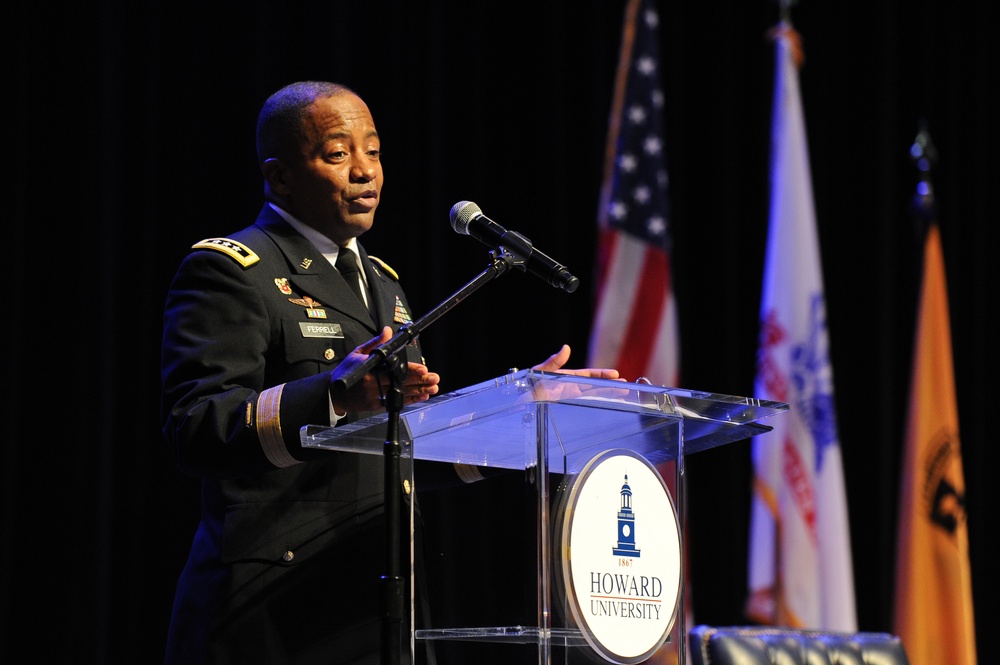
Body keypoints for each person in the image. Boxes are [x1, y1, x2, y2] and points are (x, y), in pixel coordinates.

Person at [160, 80, 619, 665]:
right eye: (337, 153)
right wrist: (333, 397)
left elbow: (407, 449)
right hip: (271, 606)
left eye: (373, 152)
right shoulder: (232, 271)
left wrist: (529, 407)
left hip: (382, 599)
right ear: (279, 177)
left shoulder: (383, 283)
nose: (364, 172)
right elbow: (195, 428)